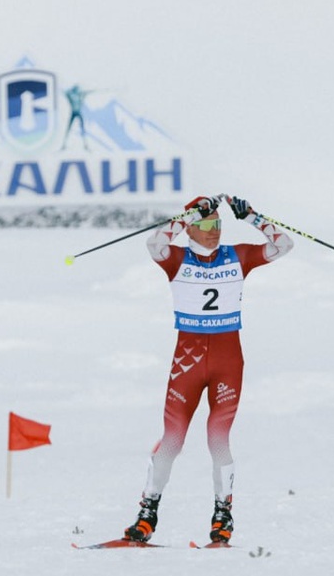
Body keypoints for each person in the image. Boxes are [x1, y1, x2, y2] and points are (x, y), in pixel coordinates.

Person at [123, 193, 294, 544]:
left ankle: (222, 516)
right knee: (172, 439)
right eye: (204, 224)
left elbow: (283, 244)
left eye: (216, 224)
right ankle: (147, 514)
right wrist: (186, 217)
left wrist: (251, 217)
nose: (213, 230)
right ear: (190, 229)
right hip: (187, 363)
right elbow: (154, 243)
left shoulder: (239, 255)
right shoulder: (175, 259)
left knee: (218, 438)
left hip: (227, 362)